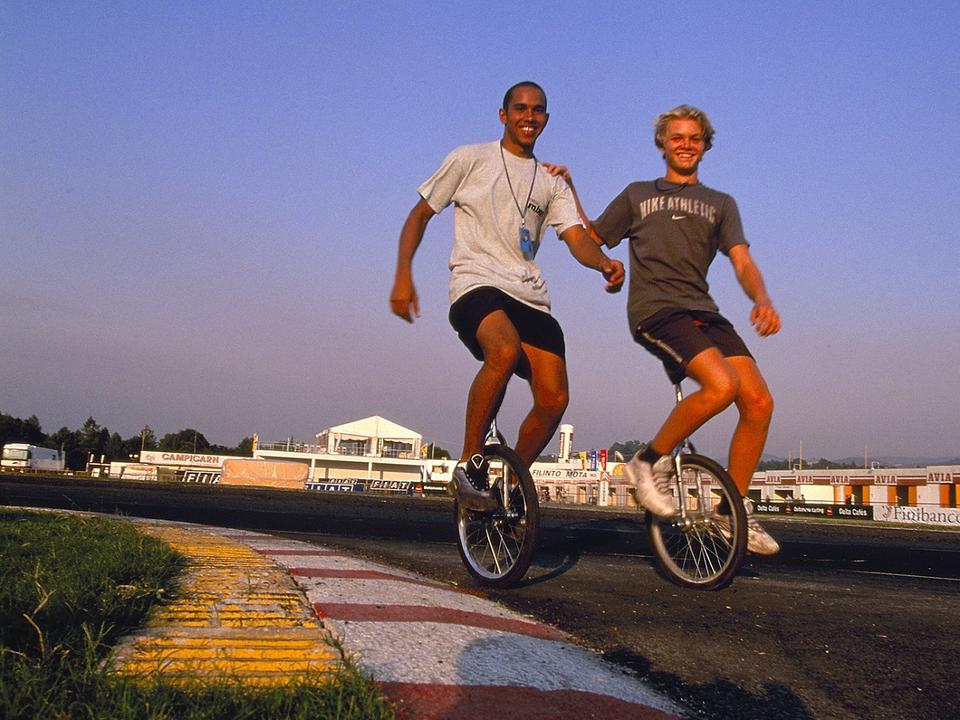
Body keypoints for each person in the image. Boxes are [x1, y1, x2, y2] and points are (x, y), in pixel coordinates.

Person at [551, 104, 781, 554]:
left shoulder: (721, 204)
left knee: (758, 402)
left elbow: (741, 260)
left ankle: (730, 511)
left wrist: (762, 299)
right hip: (656, 310)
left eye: (694, 138)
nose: (686, 145)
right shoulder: (638, 195)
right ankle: (647, 461)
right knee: (722, 386)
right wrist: (572, 191)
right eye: (677, 137)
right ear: (662, 144)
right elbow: (594, 235)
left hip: (704, 312)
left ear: (706, 145)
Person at [390, 81, 624, 511]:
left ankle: (512, 485)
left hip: (529, 296)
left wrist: (603, 263)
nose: (528, 117)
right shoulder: (469, 159)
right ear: (503, 114)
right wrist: (403, 274)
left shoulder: (551, 182)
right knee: (504, 349)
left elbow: (576, 238)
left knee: (554, 400)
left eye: (537, 110)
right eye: (520, 108)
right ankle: (468, 464)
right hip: (476, 283)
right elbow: (420, 215)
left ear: (546, 119)